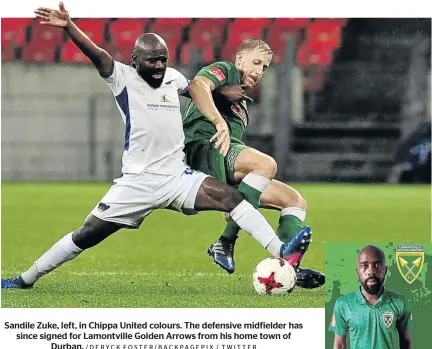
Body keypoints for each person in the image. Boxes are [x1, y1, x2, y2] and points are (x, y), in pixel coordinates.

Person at [1, 2, 310, 289]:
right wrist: (69, 27)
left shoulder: (172, 78)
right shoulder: (121, 76)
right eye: (152, 60)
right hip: (137, 182)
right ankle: (26, 278)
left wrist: (223, 98)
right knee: (86, 235)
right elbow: (96, 53)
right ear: (136, 60)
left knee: (232, 199)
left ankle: (281, 252)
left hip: (177, 177)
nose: (159, 65)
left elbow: (197, 89)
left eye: (163, 58)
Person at [183, 39, 324, 288]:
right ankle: (225, 241)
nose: (259, 71)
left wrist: (239, 200)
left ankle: (287, 268)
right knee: (265, 165)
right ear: (239, 60)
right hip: (203, 148)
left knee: (295, 201)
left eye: (265, 67)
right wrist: (219, 118)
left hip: (225, 159)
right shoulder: (225, 70)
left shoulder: (243, 104)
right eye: (256, 62)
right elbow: (198, 85)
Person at [329, 245, 413, 349]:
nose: (371, 272)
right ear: (357, 272)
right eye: (364, 266)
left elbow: (406, 341)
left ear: (385, 270)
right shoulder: (343, 304)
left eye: (377, 265)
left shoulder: (399, 302)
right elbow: (340, 345)